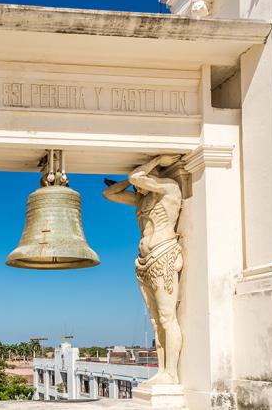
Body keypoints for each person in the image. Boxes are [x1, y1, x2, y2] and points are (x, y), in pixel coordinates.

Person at [103, 154, 183, 384]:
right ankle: (162, 371)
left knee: (168, 318)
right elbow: (109, 194)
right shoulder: (141, 200)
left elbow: (136, 175)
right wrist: (131, 184)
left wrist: (158, 160)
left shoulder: (169, 188)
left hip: (163, 254)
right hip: (144, 260)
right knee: (156, 321)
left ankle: (172, 373)